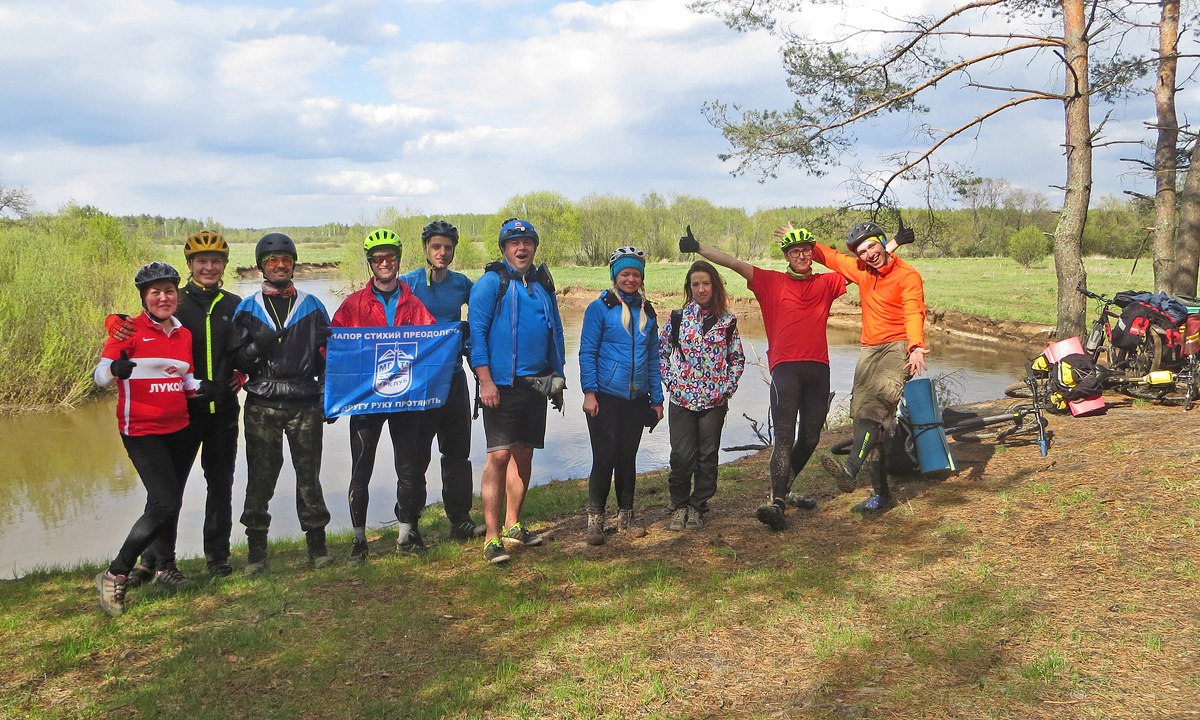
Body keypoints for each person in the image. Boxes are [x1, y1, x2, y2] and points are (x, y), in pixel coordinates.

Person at [681, 225, 846, 532]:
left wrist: (891, 244)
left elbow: (858, 266)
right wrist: (699, 246)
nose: (801, 256)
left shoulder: (826, 282)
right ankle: (778, 504)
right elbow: (732, 262)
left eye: (806, 251)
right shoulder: (770, 282)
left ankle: (782, 488)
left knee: (810, 438)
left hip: (818, 369)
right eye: (795, 251)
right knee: (784, 436)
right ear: (786, 255)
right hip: (786, 369)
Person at [104, 230, 244, 579]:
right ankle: (158, 561)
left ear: (225, 265)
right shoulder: (175, 302)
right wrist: (114, 322)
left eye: (216, 261)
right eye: (201, 261)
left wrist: (243, 374)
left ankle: (217, 557)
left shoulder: (234, 305)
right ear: (190, 265)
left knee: (221, 485)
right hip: (182, 413)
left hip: (223, 410)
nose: (209, 267)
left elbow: (246, 347)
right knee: (168, 492)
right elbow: (137, 323)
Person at [94, 262, 209, 617]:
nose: (163, 298)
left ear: (177, 295)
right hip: (141, 431)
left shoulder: (183, 334)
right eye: (155, 292)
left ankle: (162, 568)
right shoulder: (128, 330)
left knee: (164, 501)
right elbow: (99, 376)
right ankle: (116, 573)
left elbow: (183, 378)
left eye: (169, 291)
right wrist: (115, 369)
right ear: (144, 297)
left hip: (179, 428)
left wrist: (202, 387)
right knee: (165, 503)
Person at [332, 229, 437, 560]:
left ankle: (406, 535)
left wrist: (454, 339)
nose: (384, 263)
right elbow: (332, 349)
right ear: (370, 263)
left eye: (390, 257)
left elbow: (432, 344)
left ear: (398, 260)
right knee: (361, 469)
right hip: (366, 401)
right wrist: (333, 392)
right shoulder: (353, 305)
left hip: (404, 399)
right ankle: (358, 541)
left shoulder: (414, 304)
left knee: (408, 468)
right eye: (378, 258)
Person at [808, 220, 926, 513]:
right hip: (869, 349)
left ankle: (850, 469)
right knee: (864, 417)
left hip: (898, 347)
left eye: (872, 247)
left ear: (883, 243)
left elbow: (914, 311)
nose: (869, 254)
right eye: (862, 252)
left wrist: (915, 346)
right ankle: (880, 494)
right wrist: (802, 241)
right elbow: (830, 257)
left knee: (875, 409)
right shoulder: (861, 271)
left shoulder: (907, 276)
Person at [232, 232, 333, 573]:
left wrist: (326, 395)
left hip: (304, 402)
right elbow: (237, 362)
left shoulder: (312, 306)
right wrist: (254, 347)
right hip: (262, 404)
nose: (279, 265)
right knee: (260, 479)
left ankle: (317, 546)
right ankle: (256, 551)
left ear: (293, 265)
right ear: (261, 266)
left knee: (309, 477)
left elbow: (328, 356)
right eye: (272, 260)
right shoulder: (247, 308)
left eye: (286, 260)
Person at [467, 218, 566, 564]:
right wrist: (485, 381)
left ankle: (513, 524)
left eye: (527, 243)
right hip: (501, 386)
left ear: (534, 247)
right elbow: (476, 336)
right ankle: (491, 538)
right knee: (498, 457)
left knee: (524, 455)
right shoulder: (490, 284)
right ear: (504, 249)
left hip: (536, 384)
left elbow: (555, 332)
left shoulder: (542, 285)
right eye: (514, 243)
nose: (521, 248)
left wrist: (558, 378)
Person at [399, 220, 483, 541]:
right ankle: (410, 525)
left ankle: (460, 520)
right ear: (425, 248)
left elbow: (481, 318)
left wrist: (470, 344)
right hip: (419, 383)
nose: (442, 252)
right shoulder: (408, 284)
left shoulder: (462, 284)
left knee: (458, 454)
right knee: (415, 457)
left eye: (448, 247)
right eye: (436, 246)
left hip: (453, 379)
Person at [578, 246, 665, 546]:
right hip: (605, 396)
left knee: (627, 459)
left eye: (636, 274)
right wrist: (589, 393)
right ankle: (595, 521)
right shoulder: (599, 308)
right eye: (625, 274)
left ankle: (626, 518)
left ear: (642, 278)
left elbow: (653, 358)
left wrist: (657, 400)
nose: (630, 279)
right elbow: (587, 353)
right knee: (604, 458)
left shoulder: (648, 311)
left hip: (637, 398)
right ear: (615, 276)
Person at [658, 260, 745, 532]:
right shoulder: (678, 318)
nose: (701, 289)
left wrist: (727, 388)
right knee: (681, 456)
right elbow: (660, 353)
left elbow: (737, 359)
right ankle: (680, 505)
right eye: (695, 284)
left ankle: (698, 506)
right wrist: (672, 383)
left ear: (714, 286)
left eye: (706, 283)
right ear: (689, 287)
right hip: (682, 400)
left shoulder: (727, 322)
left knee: (707, 456)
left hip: (714, 403)